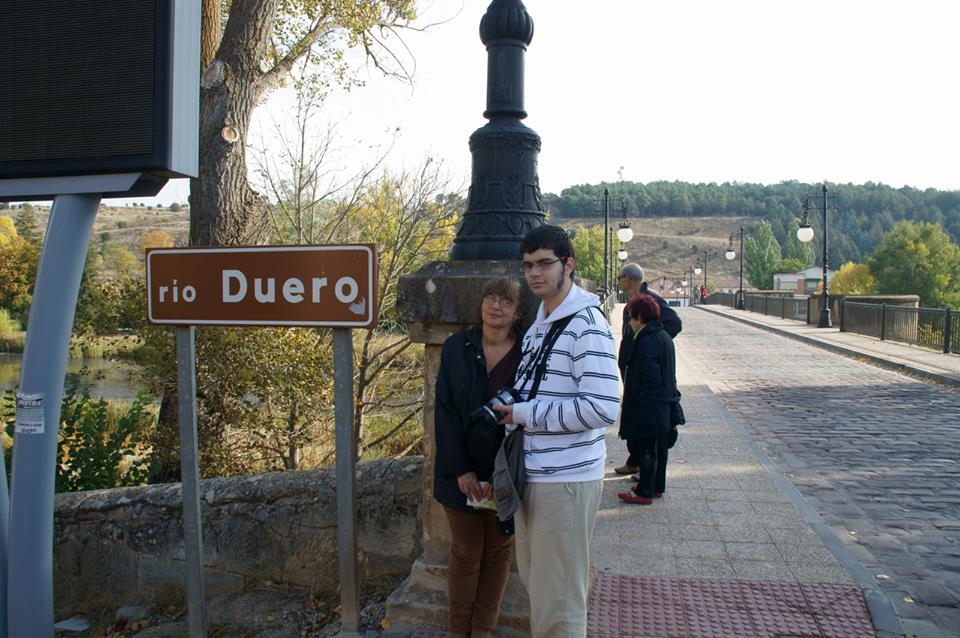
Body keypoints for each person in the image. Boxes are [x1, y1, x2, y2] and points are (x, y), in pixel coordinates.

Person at [491, 225, 620, 638]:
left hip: (566, 479)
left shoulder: (587, 324)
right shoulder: (540, 323)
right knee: (541, 590)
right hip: (535, 474)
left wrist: (524, 413)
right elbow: (540, 388)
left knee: (559, 603)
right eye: (528, 265)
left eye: (545, 263)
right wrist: (510, 405)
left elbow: (603, 407)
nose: (534, 273)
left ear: (569, 265)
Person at [434, 277, 525, 638]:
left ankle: (483, 631)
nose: (496, 306)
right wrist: (462, 470)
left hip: (507, 471)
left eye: (506, 301)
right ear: (481, 304)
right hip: (461, 472)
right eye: (490, 297)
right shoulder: (457, 347)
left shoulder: (529, 353)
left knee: (498, 552)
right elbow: (444, 411)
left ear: (517, 312)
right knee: (466, 552)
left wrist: (500, 476)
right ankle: (459, 631)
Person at [613, 263, 681, 476]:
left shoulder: (650, 300)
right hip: (631, 365)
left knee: (642, 413)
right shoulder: (632, 301)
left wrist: (650, 341)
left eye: (619, 277)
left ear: (628, 279)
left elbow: (674, 323)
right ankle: (634, 460)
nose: (618, 281)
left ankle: (641, 464)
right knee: (632, 411)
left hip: (642, 367)